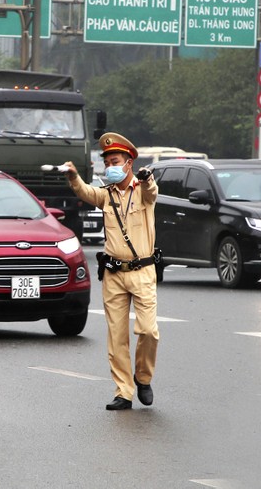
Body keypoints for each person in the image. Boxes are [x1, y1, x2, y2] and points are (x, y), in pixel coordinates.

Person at [61, 132, 159, 411]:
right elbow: (85, 192)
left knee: (149, 331)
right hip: (114, 273)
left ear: (128, 163)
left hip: (142, 271)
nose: (110, 167)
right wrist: (73, 177)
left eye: (115, 161)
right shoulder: (107, 195)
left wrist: (147, 178)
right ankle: (123, 392)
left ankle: (143, 377)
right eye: (107, 163)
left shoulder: (143, 190)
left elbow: (152, 191)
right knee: (116, 336)